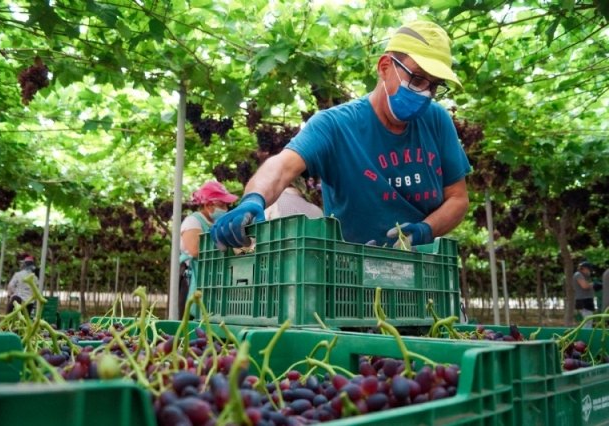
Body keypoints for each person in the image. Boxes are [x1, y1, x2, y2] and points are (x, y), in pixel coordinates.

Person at [211, 20, 470, 251]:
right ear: (385, 66)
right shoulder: (335, 125)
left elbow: (458, 198)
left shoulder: (437, 120)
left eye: (434, 85)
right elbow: (282, 166)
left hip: (422, 269)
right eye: (417, 79)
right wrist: (253, 200)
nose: (425, 92)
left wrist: (426, 230)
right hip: (351, 275)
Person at [179, 181, 238, 318]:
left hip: (212, 281)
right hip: (193, 280)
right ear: (209, 205)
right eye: (222, 205)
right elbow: (194, 250)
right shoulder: (193, 221)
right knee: (191, 321)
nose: (225, 209)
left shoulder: (217, 224)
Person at [573, 261, 595, 328]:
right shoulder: (578, 275)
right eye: (588, 270)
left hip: (586, 301)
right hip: (584, 301)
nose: (589, 272)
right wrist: (593, 285)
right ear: (584, 268)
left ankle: (586, 335)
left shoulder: (583, 276)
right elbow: (584, 286)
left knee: (588, 321)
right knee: (587, 321)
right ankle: (586, 336)